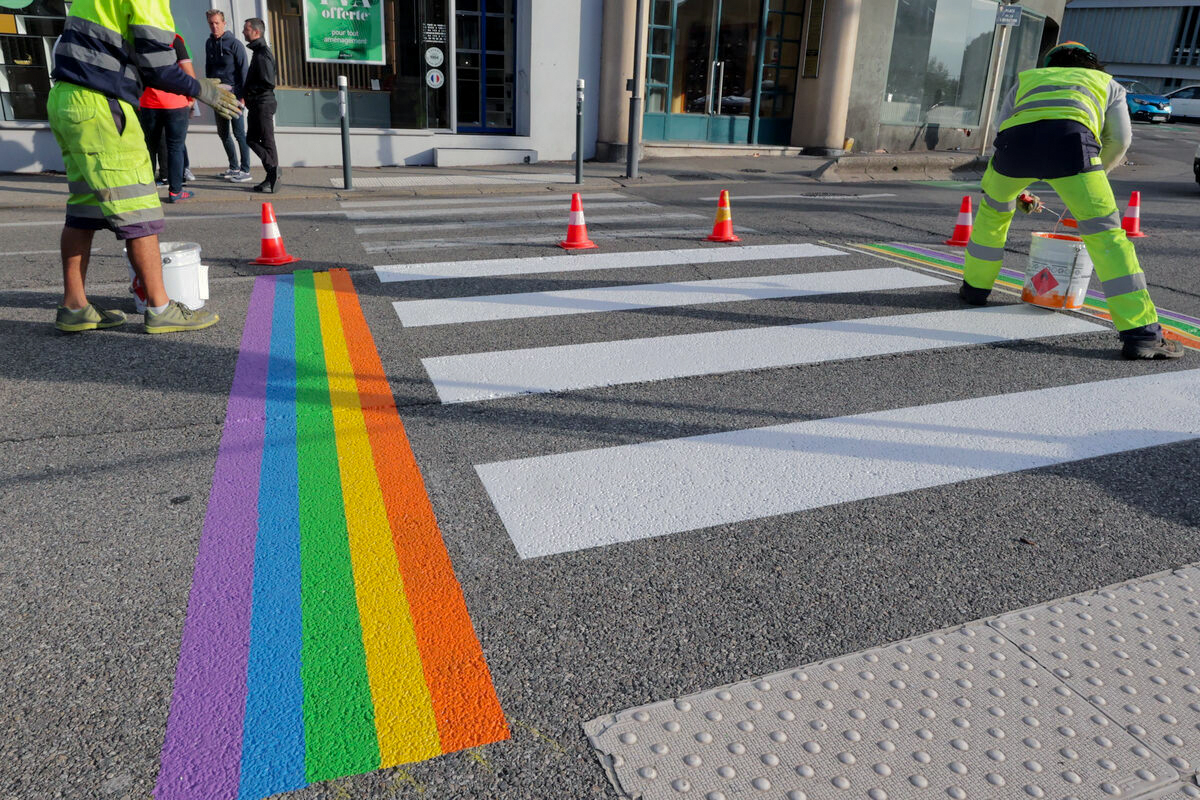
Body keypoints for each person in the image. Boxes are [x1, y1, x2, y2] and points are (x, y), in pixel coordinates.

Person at [959, 41, 1183, 360]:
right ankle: (1141, 333)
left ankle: (974, 290)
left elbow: (1004, 127)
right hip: (1072, 146)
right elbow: (1120, 139)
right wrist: (1093, 174)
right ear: (1093, 64)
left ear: (1050, 63)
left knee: (992, 214)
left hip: (1013, 148)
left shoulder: (1027, 78)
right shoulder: (1107, 84)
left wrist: (1018, 189)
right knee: (1106, 237)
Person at [47, 0, 239, 334]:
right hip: (102, 105)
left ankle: (75, 306)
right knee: (140, 209)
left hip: (67, 99)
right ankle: (160, 308)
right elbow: (158, 66)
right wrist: (202, 89)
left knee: (85, 210)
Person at [140, 34, 195, 203]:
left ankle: (146, 192)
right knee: (175, 148)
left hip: (148, 102)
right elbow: (188, 73)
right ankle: (175, 191)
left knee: (149, 148)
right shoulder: (175, 40)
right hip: (176, 103)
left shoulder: (140, 39)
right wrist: (192, 99)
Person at [205, 9, 251, 183]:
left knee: (239, 133)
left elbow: (244, 71)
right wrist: (209, 94)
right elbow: (209, 69)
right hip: (217, 95)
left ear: (224, 23)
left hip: (234, 95)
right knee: (223, 133)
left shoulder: (235, 44)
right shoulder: (209, 43)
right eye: (211, 23)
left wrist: (243, 97)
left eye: (217, 23)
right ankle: (234, 167)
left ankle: (245, 170)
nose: (214, 26)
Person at [242, 17, 281, 194]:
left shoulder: (263, 53)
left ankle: (273, 171)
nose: (243, 32)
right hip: (258, 103)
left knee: (263, 140)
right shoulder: (258, 52)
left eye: (246, 29)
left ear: (256, 32)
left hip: (262, 103)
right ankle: (272, 174)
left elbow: (268, 82)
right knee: (259, 140)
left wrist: (249, 92)